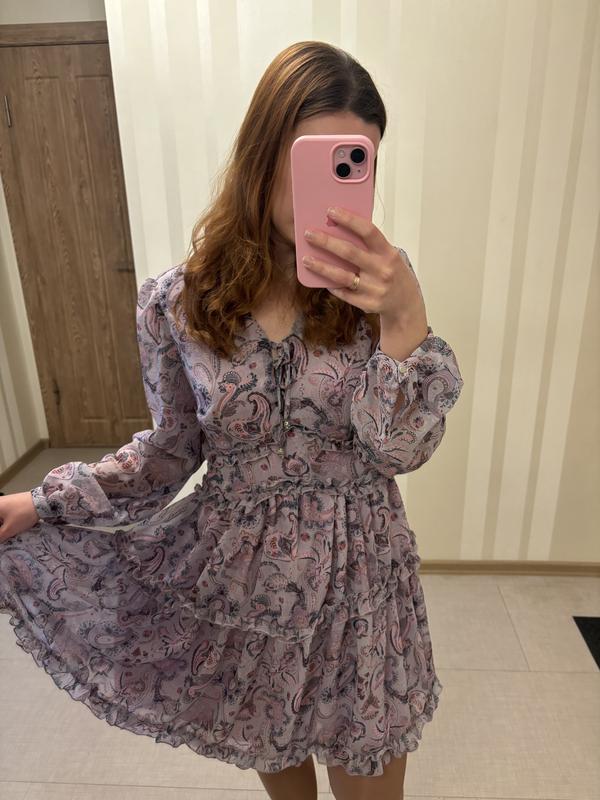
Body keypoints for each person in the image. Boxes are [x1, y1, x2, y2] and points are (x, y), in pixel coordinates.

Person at [0, 41, 464, 800]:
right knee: (277, 757)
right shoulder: (178, 303)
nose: (334, 186)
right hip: (246, 588)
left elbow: (397, 450)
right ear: (262, 153)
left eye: (357, 162)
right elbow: (168, 453)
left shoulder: (379, 288)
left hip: (362, 582)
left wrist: (406, 321)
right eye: (312, 159)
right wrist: (41, 502)